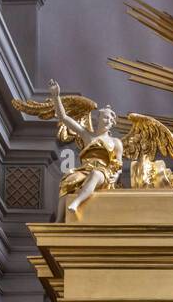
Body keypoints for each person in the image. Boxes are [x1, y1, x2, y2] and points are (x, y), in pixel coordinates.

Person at [50, 80, 123, 220]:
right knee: (67, 181)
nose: (108, 121)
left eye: (110, 119)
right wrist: (56, 96)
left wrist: (117, 175)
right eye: (106, 117)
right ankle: (59, 221)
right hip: (84, 170)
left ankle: (76, 203)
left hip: (104, 173)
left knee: (96, 174)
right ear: (99, 119)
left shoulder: (115, 142)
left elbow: (118, 164)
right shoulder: (87, 135)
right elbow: (63, 117)